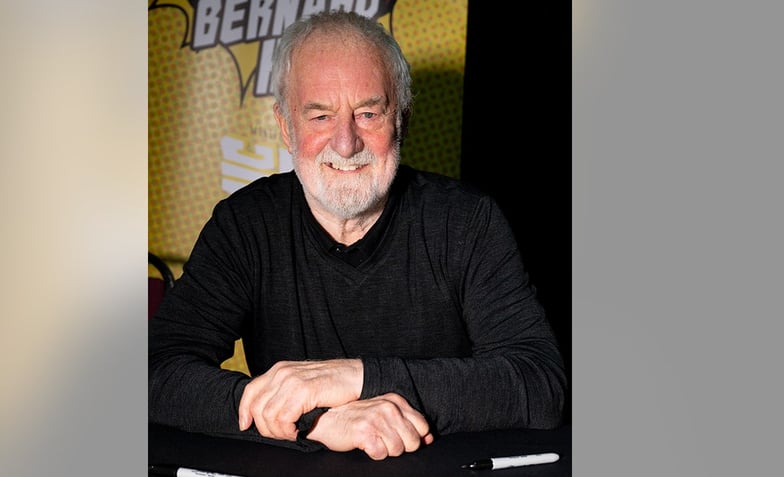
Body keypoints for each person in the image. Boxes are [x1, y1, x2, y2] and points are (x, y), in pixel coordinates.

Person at [148, 9, 566, 461]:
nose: (346, 144)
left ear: (400, 119)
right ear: (286, 127)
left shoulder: (466, 222)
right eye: (320, 117)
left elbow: (540, 384)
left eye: (368, 113)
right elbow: (154, 373)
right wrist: (316, 420)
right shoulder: (245, 225)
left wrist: (355, 378)